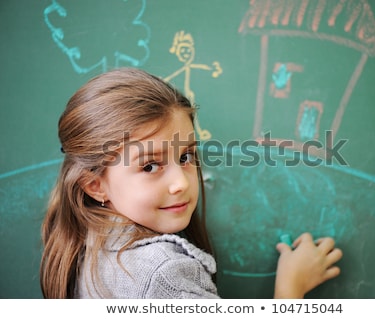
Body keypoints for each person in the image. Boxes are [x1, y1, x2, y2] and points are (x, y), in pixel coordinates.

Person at [40, 67, 343, 299]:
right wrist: (291, 288)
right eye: (149, 166)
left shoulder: (88, 238)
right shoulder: (166, 276)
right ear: (96, 186)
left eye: (185, 157)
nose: (180, 184)